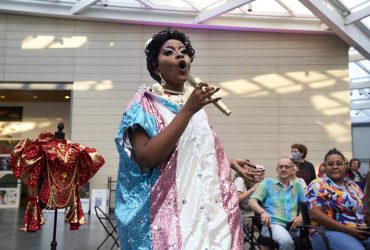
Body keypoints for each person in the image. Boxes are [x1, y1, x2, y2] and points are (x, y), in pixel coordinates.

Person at [114, 29, 256, 250]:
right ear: (156, 67)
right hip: (167, 217)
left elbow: (190, 152)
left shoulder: (197, 107)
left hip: (209, 213)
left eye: (184, 52)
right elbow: (146, 158)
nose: (180, 56)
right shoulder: (145, 104)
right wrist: (188, 110)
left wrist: (228, 162)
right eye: (169, 52)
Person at [305, 148, 370, 250]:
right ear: (324, 167)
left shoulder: (354, 186)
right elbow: (315, 214)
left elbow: (365, 212)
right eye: (330, 164)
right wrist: (349, 230)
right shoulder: (317, 184)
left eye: (339, 163)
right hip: (326, 232)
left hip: (359, 231)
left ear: (345, 166)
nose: (335, 166)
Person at [249, 157, 305, 250]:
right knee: (286, 242)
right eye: (281, 167)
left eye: (286, 167)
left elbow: (306, 206)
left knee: (315, 237)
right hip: (274, 224)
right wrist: (262, 212)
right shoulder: (267, 183)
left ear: (292, 169)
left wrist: (301, 217)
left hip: (294, 226)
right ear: (277, 169)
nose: (283, 169)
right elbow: (252, 201)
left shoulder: (298, 186)